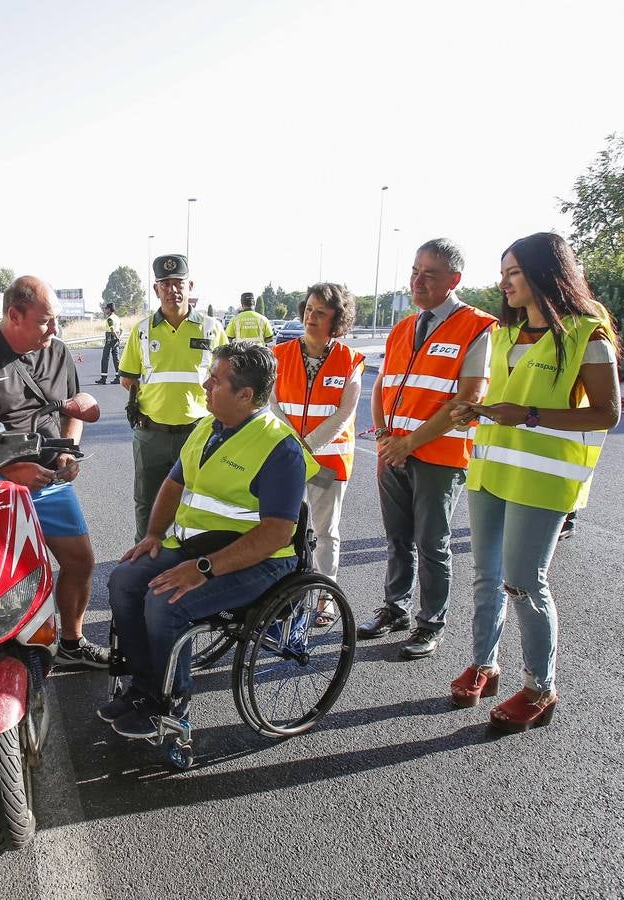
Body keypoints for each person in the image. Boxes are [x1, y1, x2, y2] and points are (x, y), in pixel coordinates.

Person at [447, 232, 621, 732]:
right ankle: (485, 664)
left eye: (514, 273)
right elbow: (497, 401)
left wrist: (529, 414)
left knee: (523, 583)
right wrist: (470, 413)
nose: (503, 284)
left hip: (543, 482)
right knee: (485, 576)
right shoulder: (503, 333)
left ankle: (540, 688)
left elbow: (607, 414)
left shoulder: (588, 334)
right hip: (490, 472)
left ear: (547, 273)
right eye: (502, 274)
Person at [100, 342, 316, 738]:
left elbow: (276, 534)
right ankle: (146, 687)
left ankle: (173, 703)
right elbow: (172, 484)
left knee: (165, 602)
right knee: (124, 580)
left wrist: (203, 569)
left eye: (215, 381)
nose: (204, 384)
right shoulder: (208, 426)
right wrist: (152, 535)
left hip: (260, 560)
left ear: (245, 395)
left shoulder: (281, 449)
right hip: (195, 546)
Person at [0, 275, 109, 667]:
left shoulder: (58, 351)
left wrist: (69, 452)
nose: (54, 329)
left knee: (80, 561)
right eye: (45, 321)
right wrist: (11, 468)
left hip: (49, 479)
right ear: (14, 315)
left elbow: (72, 410)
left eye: (56, 321)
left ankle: (71, 642)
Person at [362, 238, 497, 659]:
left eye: (430, 274)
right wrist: (386, 436)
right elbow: (382, 386)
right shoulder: (404, 326)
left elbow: (467, 400)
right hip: (394, 451)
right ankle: (395, 608)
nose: (418, 281)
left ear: (454, 280)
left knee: (432, 542)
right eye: (415, 272)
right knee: (397, 539)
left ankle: (429, 623)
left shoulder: (478, 327)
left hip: (437, 456)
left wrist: (409, 443)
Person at [270, 284, 365, 624]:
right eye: (309, 309)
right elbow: (273, 404)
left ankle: (324, 598)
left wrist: (307, 445)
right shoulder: (279, 355)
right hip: (287, 458)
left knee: (325, 534)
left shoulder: (350, 360)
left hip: (329, 460)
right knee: (282, 530)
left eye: (321, 312)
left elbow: (344, 413)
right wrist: (293, 444)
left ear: (337, 320)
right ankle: (283, 596)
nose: (311, 317)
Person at [118, 254, 228, 539]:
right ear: (156, 290)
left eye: (178, 282)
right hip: (151, 434)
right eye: (164, 284)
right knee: (147, 503)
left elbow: (228, 376)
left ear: (190, 286)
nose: (172, 289)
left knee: (199, 502)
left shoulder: (211, 329)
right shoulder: (142, 332)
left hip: (199, 433)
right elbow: (128, 377)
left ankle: (189, 563)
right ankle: (145, 562)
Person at [96, 301, 123, 384]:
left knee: (105, 358)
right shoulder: (117, 318)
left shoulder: (110, 319)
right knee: (116, 359)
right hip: (116, 340)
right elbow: (122, 330)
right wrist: (119, 338)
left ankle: (103, 378)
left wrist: (116, 337)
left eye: (106, 309)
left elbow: (112, 330)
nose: (105, 310)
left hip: (110, 339)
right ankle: (118, 378)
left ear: (109, 309)